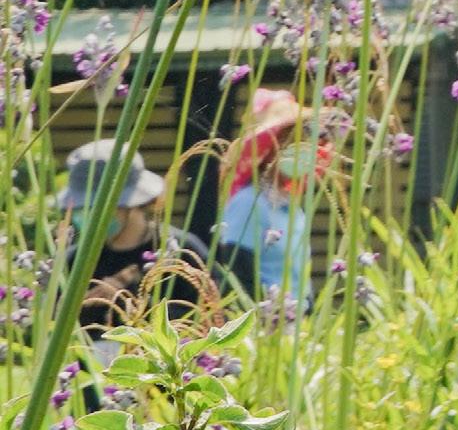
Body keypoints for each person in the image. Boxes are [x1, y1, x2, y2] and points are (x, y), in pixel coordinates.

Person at [57, 140, 208, 341]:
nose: (86, 216)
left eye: (96, 207)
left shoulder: (181, 251)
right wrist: (84, 307)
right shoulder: (74, 262)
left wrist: (130, 303)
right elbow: (55, 328)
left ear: (133, 202)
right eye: (81, 208)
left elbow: (211, 317)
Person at [214, 88, 315, 304]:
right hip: (268, 317)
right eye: (290, 142)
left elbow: (301, 276)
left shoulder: (292, 207)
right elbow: (238, 273)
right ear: (269, 149)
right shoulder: (248, 202)